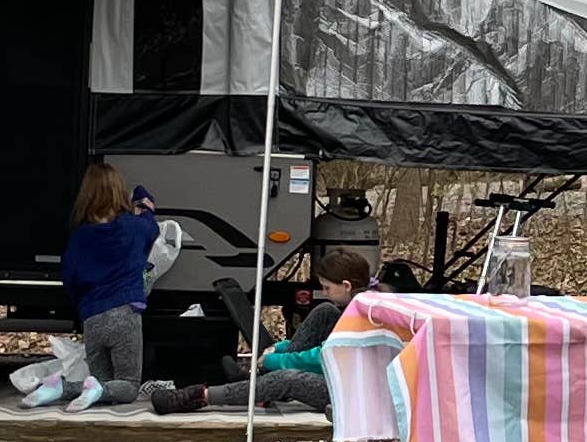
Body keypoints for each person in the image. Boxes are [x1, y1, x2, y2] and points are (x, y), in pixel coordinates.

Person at [147, 246, 370, 412]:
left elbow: (325, 356)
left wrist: (275, 360)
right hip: (343, 376)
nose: (325, 291)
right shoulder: (355, 304)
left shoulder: (363, 316)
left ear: (347, 286)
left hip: (347, 393)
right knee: (325, 310)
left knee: (287, 378)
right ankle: (259, 381)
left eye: (328, 287)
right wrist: (280, 349)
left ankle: (199, 396)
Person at [40, 160, 157, 411]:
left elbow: (69, 278)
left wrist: (83, 305)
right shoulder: (133, 227)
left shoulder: (81, 235)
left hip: (92, 316)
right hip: (125, 314)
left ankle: (59, 387)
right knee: (127, 387)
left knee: (100, 386)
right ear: (118, 191)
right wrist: (145, 204)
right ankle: (64, 389)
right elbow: (151, 228)